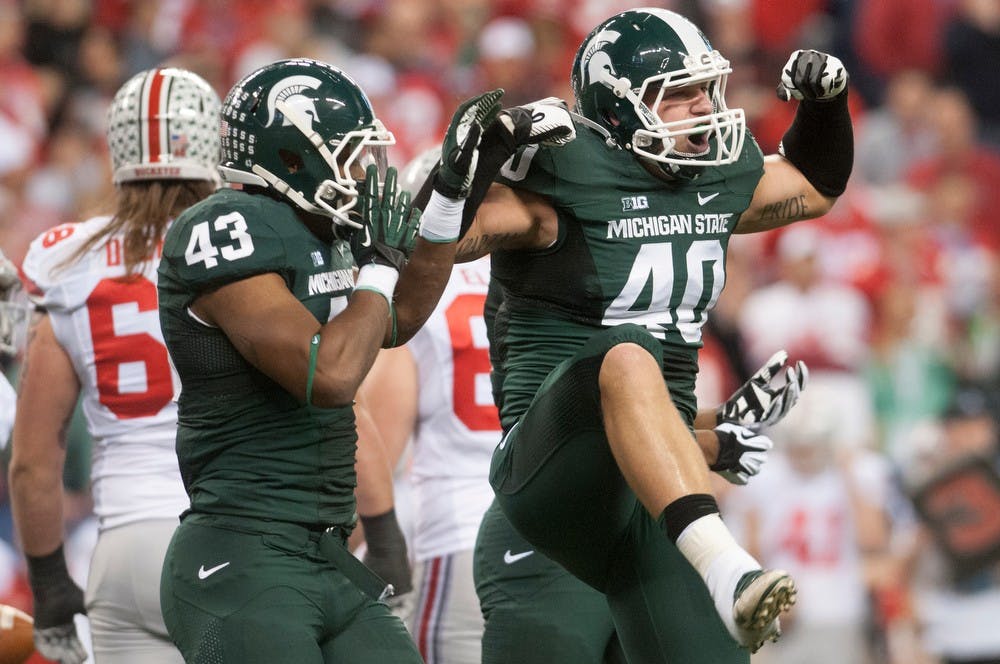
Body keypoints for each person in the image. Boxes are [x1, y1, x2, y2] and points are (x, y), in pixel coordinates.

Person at [457, 8, 854, 662]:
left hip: (654, 499)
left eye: (707, 87)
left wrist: (826, 107)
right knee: (628, 354)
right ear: (619, 107)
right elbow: (432, 237)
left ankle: (718, 563)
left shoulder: (712, 183)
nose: (705, 106)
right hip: (552, 475)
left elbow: (811, 187)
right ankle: (727, 565)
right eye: (679, 93)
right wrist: (476, 156)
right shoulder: (561, 179)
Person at [154, 58, 569, 663]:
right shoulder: (224, 227)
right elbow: (330, 375)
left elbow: (397, 319)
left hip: (325, 554)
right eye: (347, 155)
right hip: (241, 554)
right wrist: (376, 266)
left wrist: (455, 189)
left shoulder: (322, 229)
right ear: (291, 159)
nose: (360, 172)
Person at [8, 67, 222, 664]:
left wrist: (50, 583)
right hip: (228, 541)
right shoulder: (244, 248)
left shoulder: (69, 261)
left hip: (122, 546)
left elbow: (33, 460)